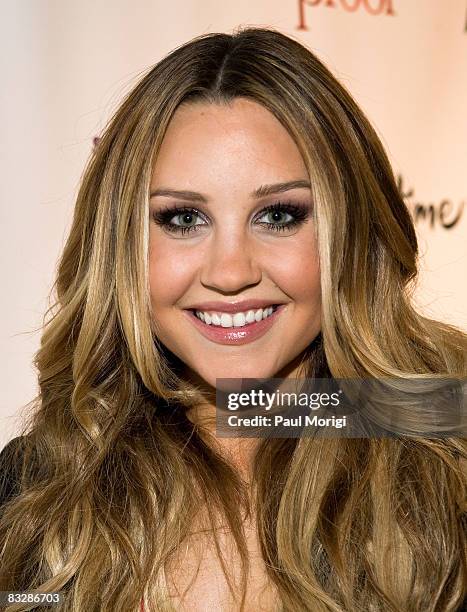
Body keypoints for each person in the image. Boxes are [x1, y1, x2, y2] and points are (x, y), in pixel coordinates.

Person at [0, 26, 466, 612]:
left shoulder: (444, 455)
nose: (229, 271)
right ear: (118, 242)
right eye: (182, 219)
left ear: (351, 230)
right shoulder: (39, 487)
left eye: (278, 215)